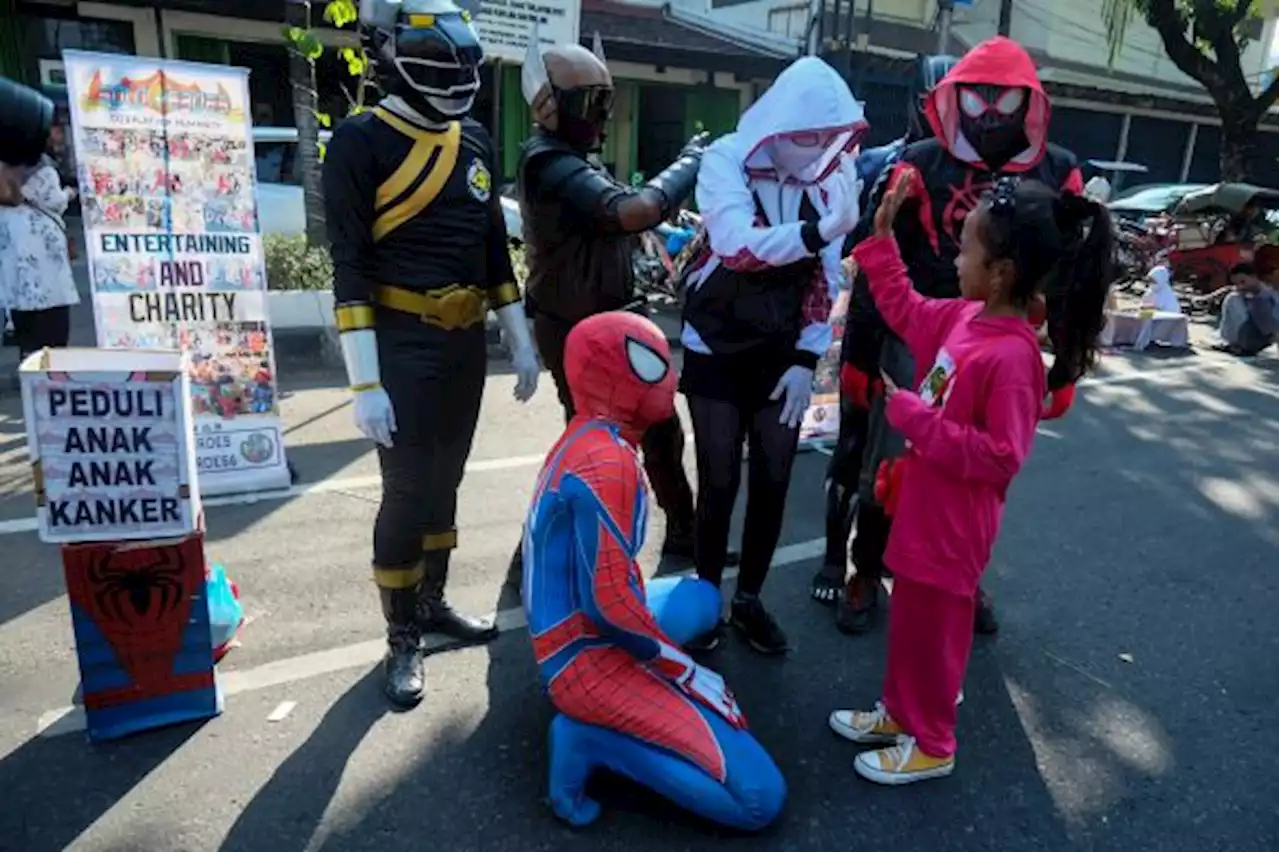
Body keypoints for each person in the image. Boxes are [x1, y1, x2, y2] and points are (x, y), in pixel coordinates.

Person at [829, 173, 1112, 786]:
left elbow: (1002, 457)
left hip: (955, 529)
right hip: (924, 510)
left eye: (966, 250)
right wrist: (881, 241)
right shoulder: (964, 318)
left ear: (1002, 271)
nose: (956, 259)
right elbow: (905, 308)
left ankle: (933, 741)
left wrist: (915, 419)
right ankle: (900, 712)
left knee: (937, 638)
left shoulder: (1012, 360)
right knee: (909, 623)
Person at [322, 0, 541, 708]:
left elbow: (489, 252)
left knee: (447, 482)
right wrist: (364, 384)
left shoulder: (473, 138)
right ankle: (401, 637)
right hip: (398, 343)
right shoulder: (360, 141)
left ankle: (435, 602)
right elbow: (349, 266)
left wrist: (521, 336)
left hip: (462, 344)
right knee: (407, 493)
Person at [836, 36, 1085, 637]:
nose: (993, 112)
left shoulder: (1058, 169)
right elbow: (883, 257)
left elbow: (1079, 270)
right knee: (889, 464)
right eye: (979, 98)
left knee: (974, 476)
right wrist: (862, 357)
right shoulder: (920, 160)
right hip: (926, 327)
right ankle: (866, 568)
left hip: (1004, 344)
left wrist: (1065, 362)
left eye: (1005, 98)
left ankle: (963, 576)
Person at [523, 311, 785, 830]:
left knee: (703, 599)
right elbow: (612, 607)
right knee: (759, 800)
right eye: (649, 364)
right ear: (606, 375)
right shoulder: (607, 462)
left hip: (577, 629)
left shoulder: (587, 438)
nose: (669, 376)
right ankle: (588, 738)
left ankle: (628, 702)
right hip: (586, 656)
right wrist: (683, 670)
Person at [679, 56, 867, 654]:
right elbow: (735, 245)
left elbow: (827, 279)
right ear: (779, 121)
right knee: (719, 479)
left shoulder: (830, 178)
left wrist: (806, 361)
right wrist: (818, 231)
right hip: (714, 341)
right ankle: (707, 600)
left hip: (780, 349)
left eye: (828, 138)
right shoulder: (726, 158)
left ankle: (750, 601)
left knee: (775, 476)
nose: (817, 149)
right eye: (807, 134)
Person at [514, 33, 718, 572]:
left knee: (656, 434)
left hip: (608, 323)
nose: (602, 115)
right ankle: (541, 557)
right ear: (553, 107)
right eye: (592, 103)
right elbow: (632, 211)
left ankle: (682, 534)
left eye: (607, 101)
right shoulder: (547, 161)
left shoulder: (572, 157)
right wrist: (690, 162)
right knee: (592, 445)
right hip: (579, 331)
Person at [813, 53, 957, 606]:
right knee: (856, 449)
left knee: (939, 456)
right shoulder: (879, 163)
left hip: (945, 344)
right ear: (919, 102)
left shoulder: (981, 176)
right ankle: (847, 564)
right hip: (875, 333)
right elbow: (842, 242)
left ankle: (935, 567)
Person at [0, 153, 80, 362]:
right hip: (42, 250)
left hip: (12, 244)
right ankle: (53, 369)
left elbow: (13, 198)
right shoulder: (40, 167)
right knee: (52, 314)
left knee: (23, 310)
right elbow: (53, 201)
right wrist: (69, 193)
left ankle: (29, 361)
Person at [1213, 263, 1280, 356]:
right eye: (1236, 284)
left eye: (1243, 282)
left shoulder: (1270, 291)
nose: (1240, 287)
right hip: (1245, 338)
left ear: (1255, 277)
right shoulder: (1235, 298)